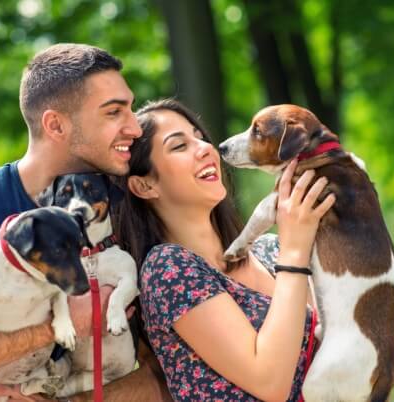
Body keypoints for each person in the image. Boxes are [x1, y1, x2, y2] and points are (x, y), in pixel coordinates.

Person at [0, 43, 171, 402]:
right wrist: (57, 326)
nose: (135, 128)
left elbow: (167, 371)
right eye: (114, 112)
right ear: (56, 125)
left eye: (130, 109)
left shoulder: (126, 206)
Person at [113, 99, 336, 402]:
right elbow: (270, 382)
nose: (206, 148)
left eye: (199, 137)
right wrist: (296, 253)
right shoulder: (168, 269)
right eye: (179, 146)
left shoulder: (271, 251)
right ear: (144, 186)